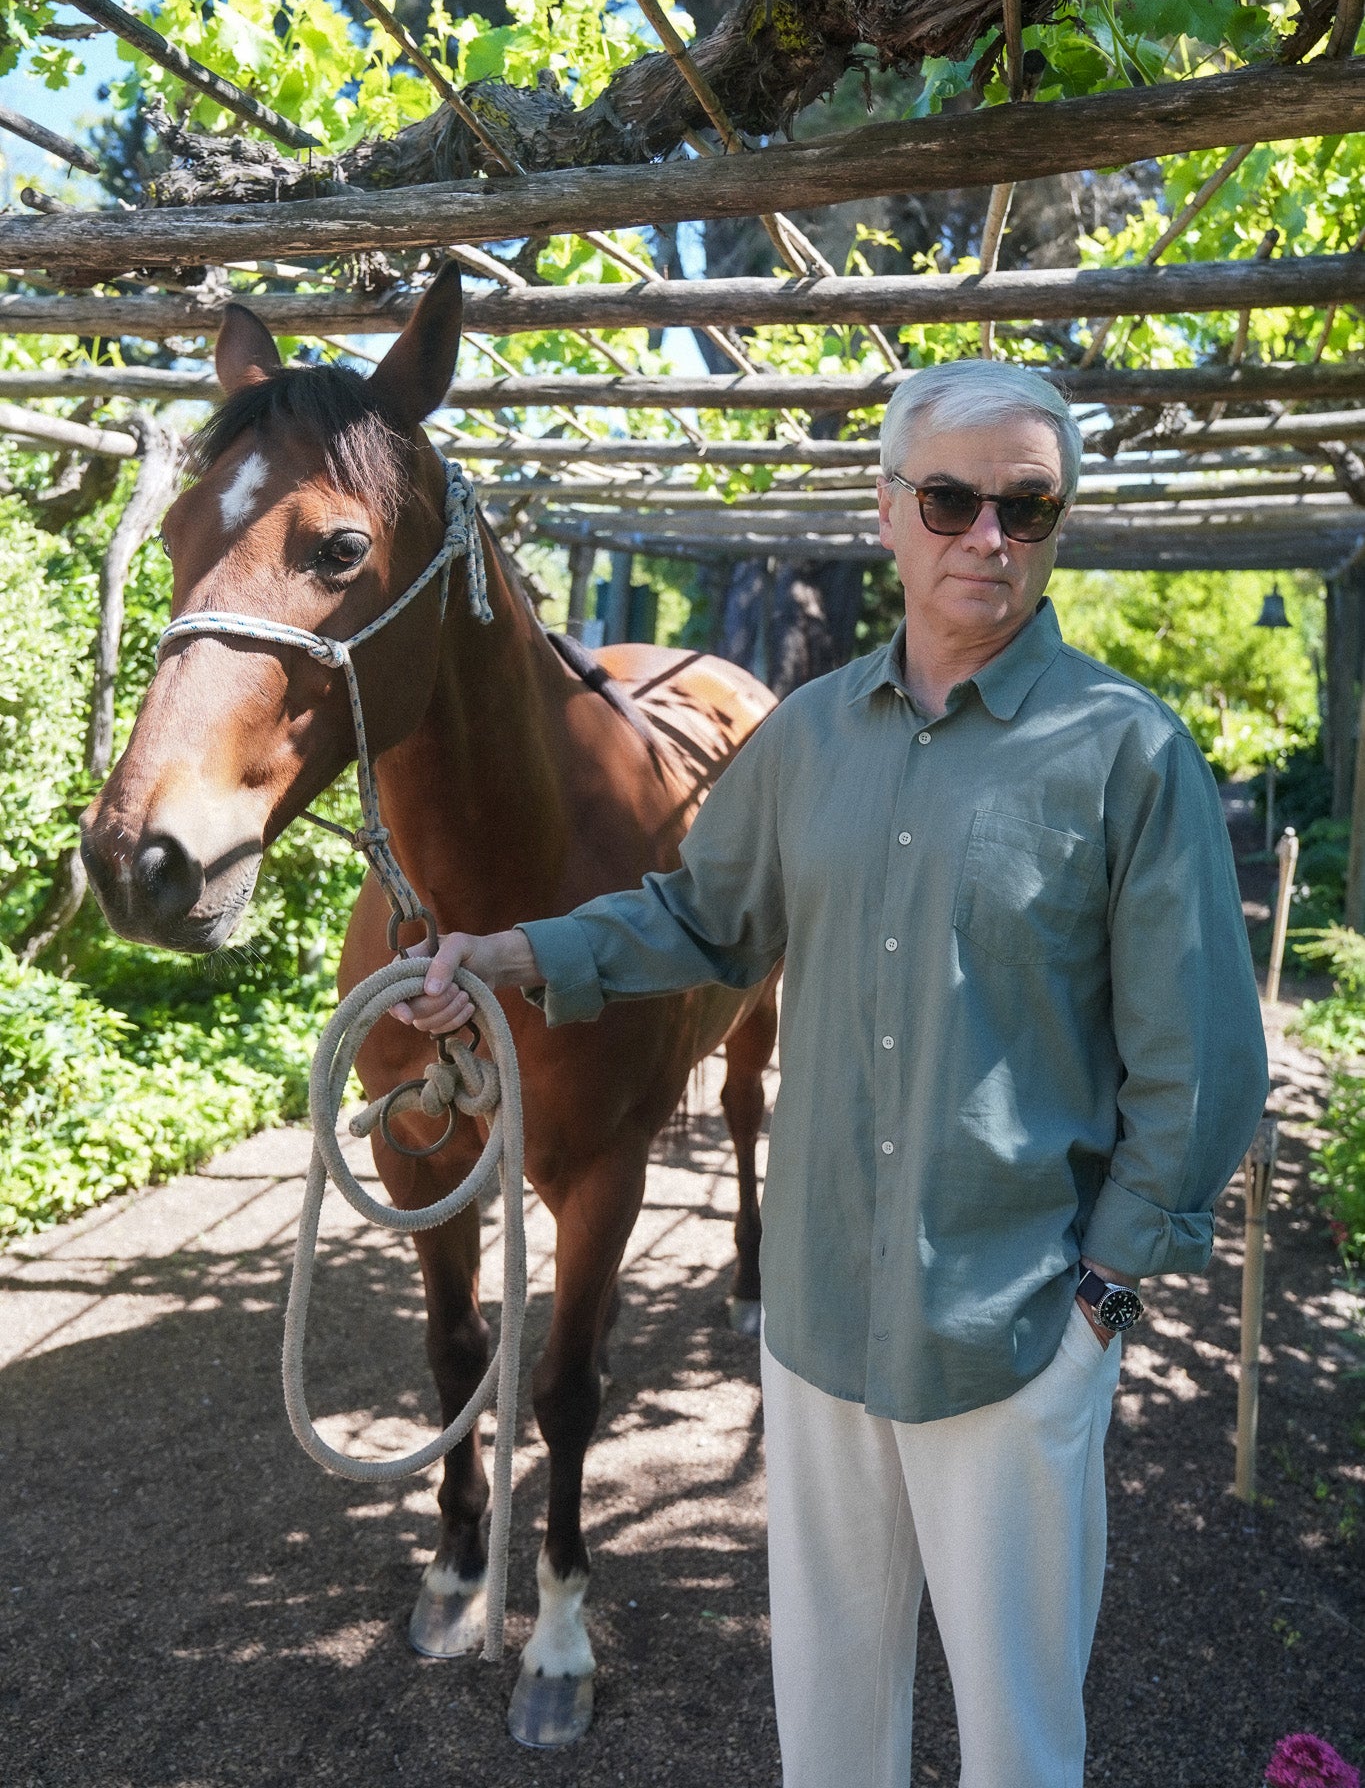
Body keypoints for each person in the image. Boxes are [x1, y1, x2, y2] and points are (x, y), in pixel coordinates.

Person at [394, 361, 1268, 1788]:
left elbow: (1199, 1062)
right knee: (829, 1728)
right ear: (886, 516)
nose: (988, 536)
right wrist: (511, 955)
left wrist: (1102, 1298)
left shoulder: (1126, 754)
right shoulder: (801, 739)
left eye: (1026, 508)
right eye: (950, 500)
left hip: (1017, 1322)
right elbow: (696, 917)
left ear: (1057, 525)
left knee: (1017, 1744)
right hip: (811, 1324)